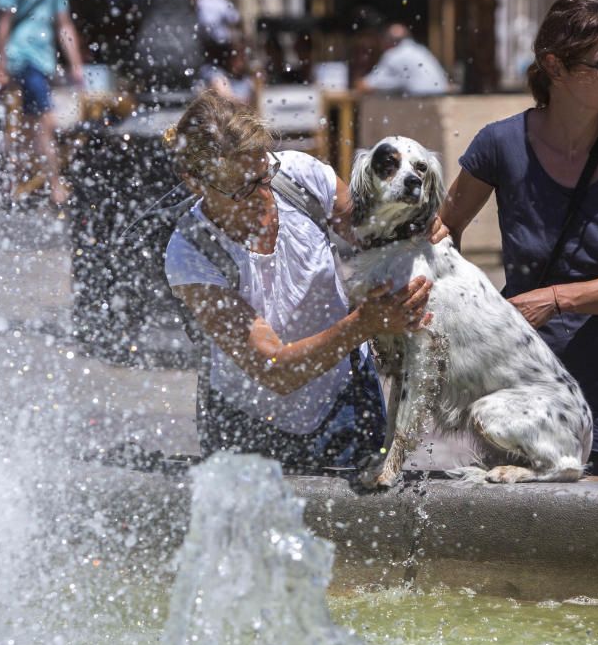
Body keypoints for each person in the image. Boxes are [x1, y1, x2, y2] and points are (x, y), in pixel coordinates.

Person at [439, 0, 598, 479]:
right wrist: (461, 320)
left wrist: (554, 298)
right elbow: (441, 234)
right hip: (523, 406)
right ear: (556, 66)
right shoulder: (499, 145)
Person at [163, 90, 443, 473]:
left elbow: (378, 232)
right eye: (243, 188)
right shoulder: (191, 252)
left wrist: (417, 222)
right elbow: (274, 370)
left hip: (345, 401)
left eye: (264, 174)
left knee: (365, 528)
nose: (263, 195)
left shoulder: (298, 177)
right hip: (247, 427)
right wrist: (366, 323)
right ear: (195, 182)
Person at [0, 0, 84, 207]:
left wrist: (76, 64)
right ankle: (54, 185)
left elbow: (64, 25)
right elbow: (4, 23)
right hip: (22, 55)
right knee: (45, 121)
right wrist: (0, 64)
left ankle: (13, 179)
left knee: (27, 124)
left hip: (44, 59)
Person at [354, 23, 449, 96]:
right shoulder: (420, 50)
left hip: (420, 99)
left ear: (387, 41)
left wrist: (361, 83)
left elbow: (369, 84)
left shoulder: (395, 54)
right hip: (439, 96)